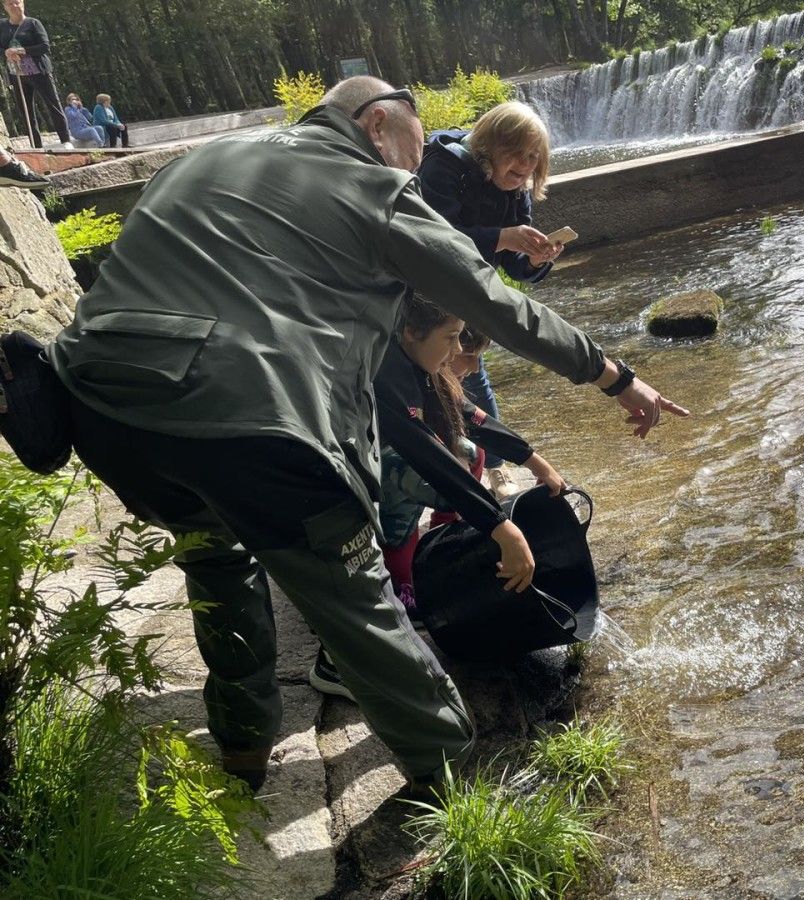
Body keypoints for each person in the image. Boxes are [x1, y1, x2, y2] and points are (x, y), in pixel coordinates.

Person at [46, 75, 687, 796]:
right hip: (250, 430)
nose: (413, 178)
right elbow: (496, 304)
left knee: (218, 560)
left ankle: (241, 755)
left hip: (101, 415)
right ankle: (457, 788)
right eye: (412, 158)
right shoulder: (372, 184)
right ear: (377, 125)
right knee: (356, 602)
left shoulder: (199, 162)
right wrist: (614, 376)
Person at [309, 297, 567, 699]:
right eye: (451, 337)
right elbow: (426, 456)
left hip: (348, 464)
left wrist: (534, 460)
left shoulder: (414, 360)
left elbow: (468, 415)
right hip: (315, 478)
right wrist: (502, 528)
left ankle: (415, 564)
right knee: (408, 478)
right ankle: (335, 662)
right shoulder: (383, 369)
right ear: (412, 331)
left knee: (465, 451)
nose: (458, 350)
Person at [416, 101, 562, 497]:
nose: (526, 165)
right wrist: (502, 237)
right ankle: (445, 468)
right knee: (429, 383)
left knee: (473, 374)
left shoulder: (517, 189)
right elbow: (434, 239)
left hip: (471, 292)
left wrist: (534, 259)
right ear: (489, 147)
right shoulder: (444, 166)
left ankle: (495, 468)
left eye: (534, 157)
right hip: (423, 294)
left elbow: (514, 267)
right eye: (517, 154)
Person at [1, 0, 70, 149]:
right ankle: (35, 145)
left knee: (53, 105)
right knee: (26, 111)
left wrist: (22, 51)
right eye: (10, 3)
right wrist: (6, 52)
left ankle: (66, 140)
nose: (14, 6)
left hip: (38, 70)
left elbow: (45, 46)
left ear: (23, 4)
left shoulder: (33, 23)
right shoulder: (2, 26)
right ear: (5, 7)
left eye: (17, 2)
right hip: (17, 73)